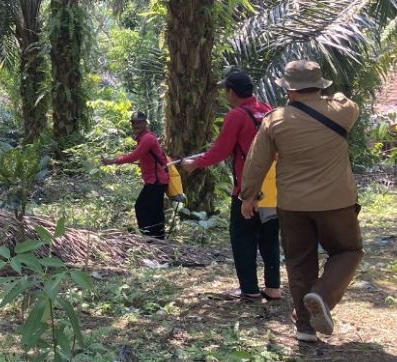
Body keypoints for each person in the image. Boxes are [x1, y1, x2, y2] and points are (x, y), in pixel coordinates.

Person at [239, 60, 362, 344]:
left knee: (299, 262)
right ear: (319, 87)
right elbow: (346, 99)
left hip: (293, 205)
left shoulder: (275, 119)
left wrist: (249, 197)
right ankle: (321, 295)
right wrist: (327, 96)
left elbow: (257, 163)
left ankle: (305, 328)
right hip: (337, 202)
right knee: (348, 251)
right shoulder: (341, 111)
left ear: (289, 90)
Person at [181, 69, 280, 301]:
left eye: (226, 91)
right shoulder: (267, 110)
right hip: (274, 188)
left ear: (232, 92)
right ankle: (273, 288)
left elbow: (221, 150)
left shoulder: (237, 115)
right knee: (269, 237)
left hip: (247, 190)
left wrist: (196, 163)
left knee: (242, 237)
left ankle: (249, 289)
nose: (225, 95)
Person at [102, 111, 170, 239]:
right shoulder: (144, 138)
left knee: (141, 207)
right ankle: (158, 238)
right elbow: (145, 157)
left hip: (156, 181)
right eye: (133, 123)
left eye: (139, 122)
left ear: (145, 123)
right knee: (154, 209)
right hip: (156, 180)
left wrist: (113, 161)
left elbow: (135, 155)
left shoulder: (147, 138)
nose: (136, 125)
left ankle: (149, 238)